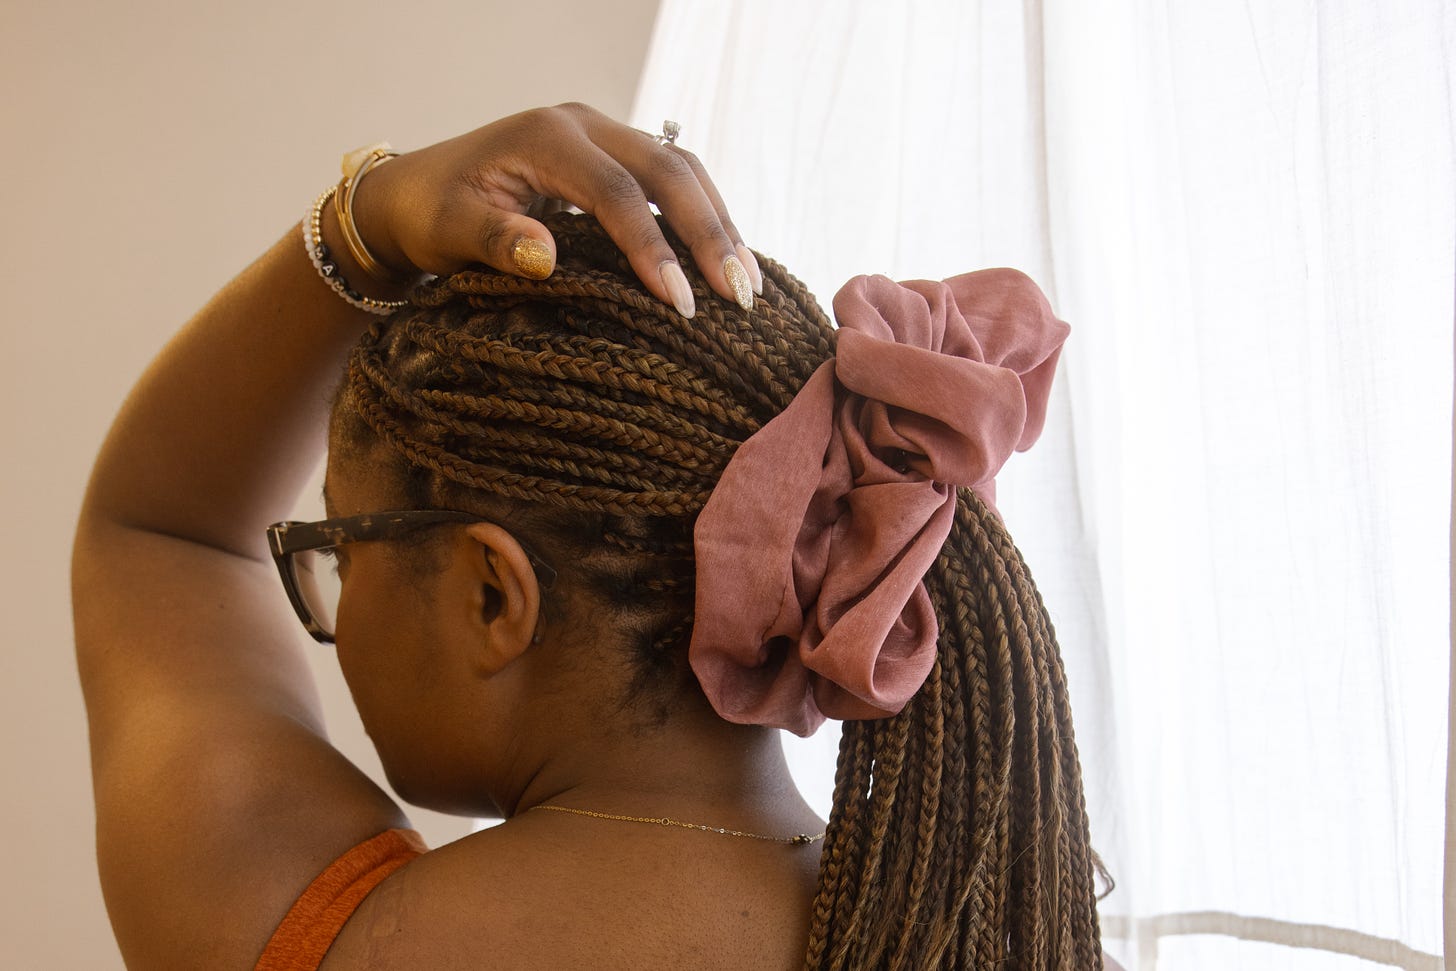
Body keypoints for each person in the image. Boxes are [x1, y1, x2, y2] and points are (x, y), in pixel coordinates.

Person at [73, 102, 1106, 969]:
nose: (337, 607)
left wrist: (367, 223)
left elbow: (161, 535)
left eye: (341, 550)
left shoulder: (318, 932)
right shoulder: (991, 934)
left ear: (492, 592)